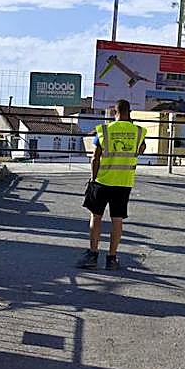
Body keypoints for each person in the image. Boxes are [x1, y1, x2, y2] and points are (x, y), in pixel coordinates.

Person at [77, 99, 146, 271]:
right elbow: (141, 150)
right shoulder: (138, 132)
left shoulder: (104, 131)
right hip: (124, 182)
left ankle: (92, 255)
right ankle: (112, 258)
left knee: (96, 216)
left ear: (115, 112)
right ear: (130, 112)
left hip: (102, 181)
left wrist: (93, 178)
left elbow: (95, 157)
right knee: (117, 220)